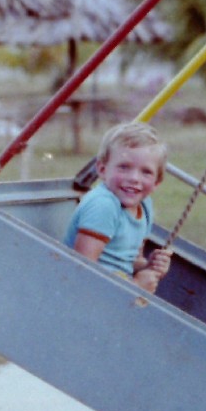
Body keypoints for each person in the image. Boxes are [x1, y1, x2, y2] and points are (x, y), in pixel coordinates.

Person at [63, 121, 173, 293]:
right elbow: (81, 271)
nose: (134, 178)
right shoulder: (103, 205)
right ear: (102, 169)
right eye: (124, 167)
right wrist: (135, 287)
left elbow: (130, 261)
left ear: (156, 182)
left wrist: (149, 266)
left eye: (146, 172)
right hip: (86, 296)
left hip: (114, 292)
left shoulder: (144, 205)